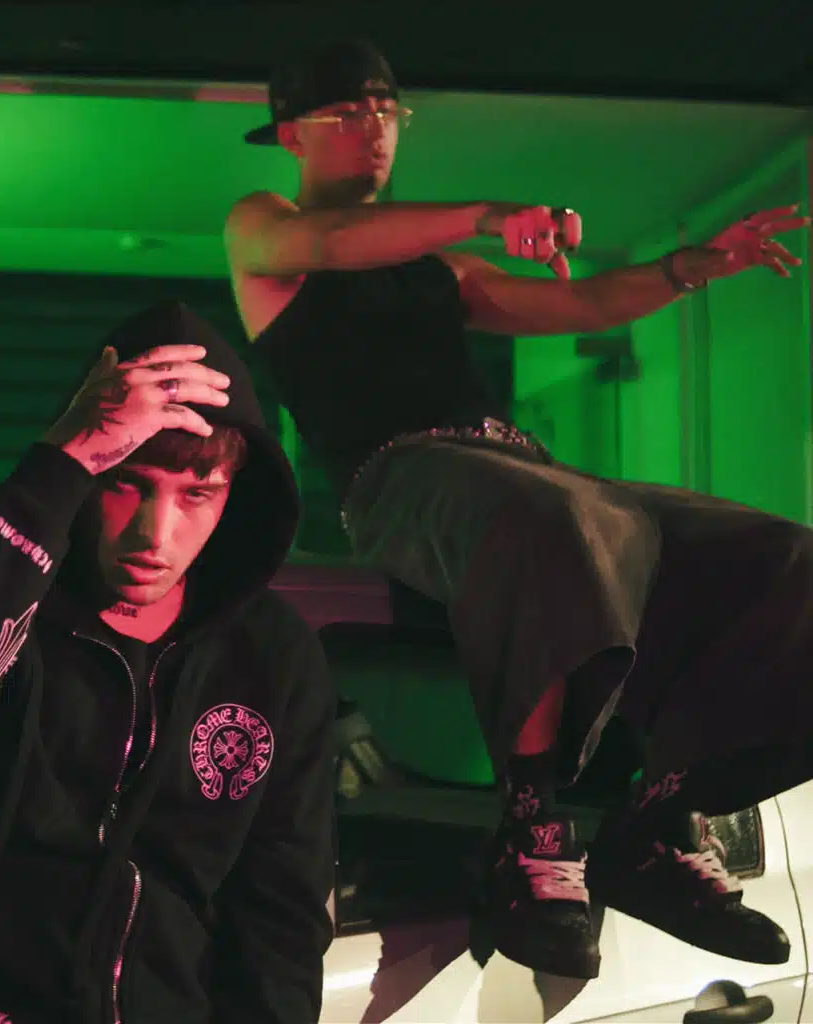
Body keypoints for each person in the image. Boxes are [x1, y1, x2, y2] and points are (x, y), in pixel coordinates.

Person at [224, 37, 813, 980]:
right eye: (348, 113)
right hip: (400, 477)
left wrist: (696, 265)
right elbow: (330, 244)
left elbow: (579, 309)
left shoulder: (440, 269)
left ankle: (659, 816)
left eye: (386, 111)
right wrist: (494, 214)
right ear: (292, 134)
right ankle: (534, 835)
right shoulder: (265, 228)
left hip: (519, 468)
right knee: (545, 521)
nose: (375, 127)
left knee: (780, 557)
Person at [0, 300, 336, 1023]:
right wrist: (61, 463)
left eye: (198, 494)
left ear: (233, 497)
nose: (156, 534)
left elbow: (282, 910)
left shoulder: (270, 653)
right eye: (126, 482)